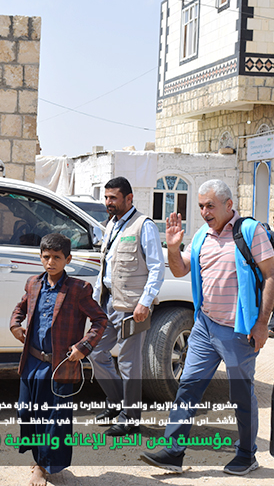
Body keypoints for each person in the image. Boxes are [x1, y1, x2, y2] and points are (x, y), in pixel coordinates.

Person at [141, 179, 274, 476]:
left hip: (239, 330)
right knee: (188, 386)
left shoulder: (250, 232)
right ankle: (173, 451)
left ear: (229, 205)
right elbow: (180, 269)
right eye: (201, 206)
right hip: (205, 326)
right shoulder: (202, 234)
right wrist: (174, 248)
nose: (204, 212)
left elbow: (271, 275)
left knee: (241, 394)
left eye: (210, 206)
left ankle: (247, 454)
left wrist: (262, 324)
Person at [10, 233, 107, 486]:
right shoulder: (33, 283)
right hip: (32, 362)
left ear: (68, 259)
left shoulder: (78, 289)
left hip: (60, 365)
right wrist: (15, 325)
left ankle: (42, 466)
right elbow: (20, 308)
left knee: (53, 419)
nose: (50, 262)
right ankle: (39, 458)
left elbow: (100, 320)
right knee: (27, 412)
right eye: (46, 257)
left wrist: (83, 347)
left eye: (56, 257)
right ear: (40, 257)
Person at [88, 176, 164, 436]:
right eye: (106, 197)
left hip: (133, 307)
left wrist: (145, 302)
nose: (108, 202)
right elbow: (107, 267)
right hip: (108, 302)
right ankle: (117, 403)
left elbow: (156, 268)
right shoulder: (111, 225)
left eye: (113, 198)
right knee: (96, 353)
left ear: (129, 198)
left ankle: (130, 418)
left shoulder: (144, 226)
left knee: (129, 364)